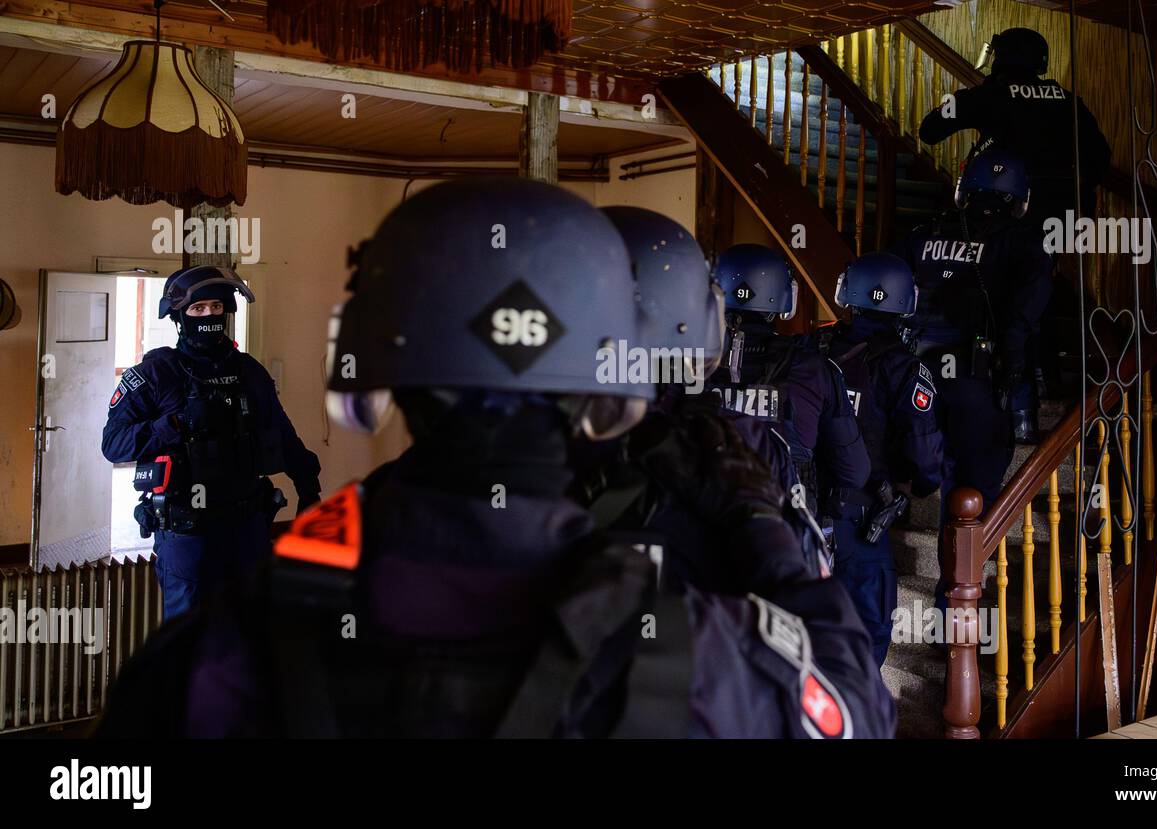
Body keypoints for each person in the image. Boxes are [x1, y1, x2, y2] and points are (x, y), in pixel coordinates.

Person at [98, 178, 895, 739]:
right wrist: (758, 517)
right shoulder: (703, 651)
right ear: (612, 383)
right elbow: (856, 703)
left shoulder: (210, 658)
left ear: (368, 368)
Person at [574, 206, 827, 591]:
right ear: (702, 315)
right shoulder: (744, 439)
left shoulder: (517, 434)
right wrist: (756, 517)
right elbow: (819, 621)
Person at [101, 266, 320, 620]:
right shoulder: (156, 374)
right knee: (189, 641)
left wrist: (309, 488)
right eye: (198, 308)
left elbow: (282, 433)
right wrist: (174, 424)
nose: (209, 316)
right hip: (187, 533)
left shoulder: (250, 371)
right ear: (179, 316)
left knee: (248, 632)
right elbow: (113, 443)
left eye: (216, 308)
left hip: (248, 526)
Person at [892, 150, 1051, 608]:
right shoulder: (1022, 242)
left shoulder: (924, 233)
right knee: (973, 494)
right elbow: (1025, 319)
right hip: (973, 385)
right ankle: (954, 607)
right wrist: (1018, 380)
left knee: (930, 473)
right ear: (1019, 196)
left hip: (913, 380)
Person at [918, 26, 1111, 399]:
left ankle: (1004, 379)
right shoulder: (1069, 100)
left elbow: (929, 131)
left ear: (1000, 58)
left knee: (997, 287)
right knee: (1037, 286)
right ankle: (1043, 376)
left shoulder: (992, 94)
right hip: (1064, 217)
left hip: (1007, 213)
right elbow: (1100, 160)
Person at [807, 253, 949, 666]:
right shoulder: (904, 368)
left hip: (801, 508)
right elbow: (925, 455)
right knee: (865, 638)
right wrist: (919, 487)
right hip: (860, 518)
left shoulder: (810, 349)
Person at [705, 244, 870, 539]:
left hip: (698, 528)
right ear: (784, 298)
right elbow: (854, 472)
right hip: (787, 534)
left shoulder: (684, 364)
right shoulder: (814, 369)